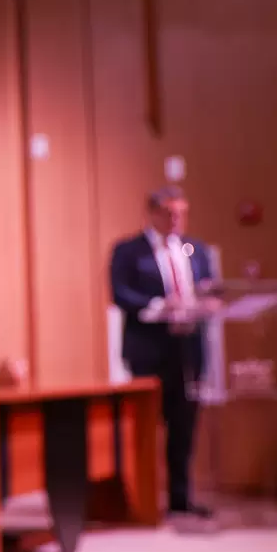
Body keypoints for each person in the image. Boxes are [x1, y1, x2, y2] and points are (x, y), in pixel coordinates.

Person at [109, 185, 219, 518]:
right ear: (153, 213)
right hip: (149, 350)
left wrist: (209, 303)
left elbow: (209, 288)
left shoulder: (196, 251)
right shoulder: (129, 251)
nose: (176, 220)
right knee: (145, 427)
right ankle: (142, 500)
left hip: (188, 351)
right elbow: (120, 293)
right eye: (170, 213)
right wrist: (160, 305)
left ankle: (180, 498)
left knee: (184, 427)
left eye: (182, 214)